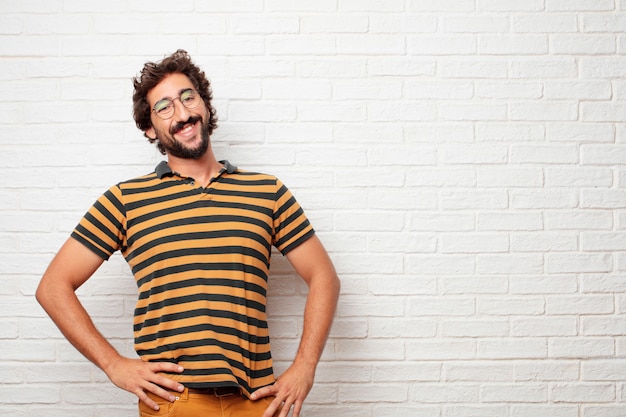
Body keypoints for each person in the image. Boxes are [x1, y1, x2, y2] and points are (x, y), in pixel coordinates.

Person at [36, 49, 340, 417]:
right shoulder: (125, 200)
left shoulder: (267, 192)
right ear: (150, 128)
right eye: (164, 107)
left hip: (258, 401)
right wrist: (114, 364)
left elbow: (323, 275)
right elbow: (53, 287)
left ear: (205, 106)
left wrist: (305, 367)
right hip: (174, 402)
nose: (182, 113)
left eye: (188, 97)